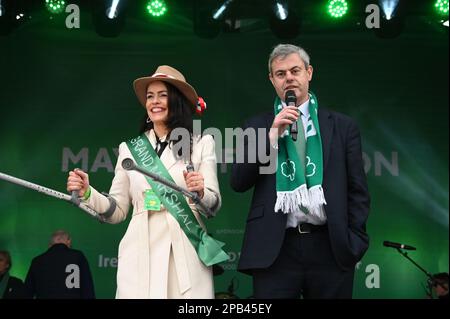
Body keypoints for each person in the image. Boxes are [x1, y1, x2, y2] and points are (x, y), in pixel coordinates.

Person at [66, 65, 227, 299]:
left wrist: (200, 192)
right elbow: (117, 210)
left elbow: (213, 204)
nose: (155, 102)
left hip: (185, 250)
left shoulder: (202, 143)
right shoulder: (129, 149)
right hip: (139, 252)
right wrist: (88, 192)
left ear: (177, 100)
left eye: (163, 95)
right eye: (150, 96)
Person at [231, 44, 370, 299]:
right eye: (281, 74)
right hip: (276, 247)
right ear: (272, 80)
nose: (289, 78)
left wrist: (354, 240)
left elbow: (357, 189)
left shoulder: (342, 126)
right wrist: (273, 135)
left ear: (309, 72)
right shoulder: (257, 125)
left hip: (330, 245)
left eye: (295, 70)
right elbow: (239, 181)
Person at [24, 230, 95, 299]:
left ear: (50, 244)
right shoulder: (78, 256)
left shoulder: (37, 261)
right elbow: (87, 289)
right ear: (69, 241)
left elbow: (27, 292)